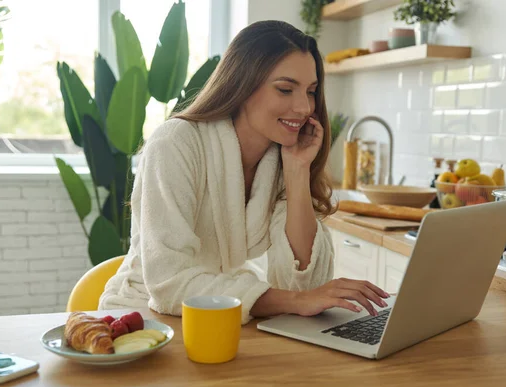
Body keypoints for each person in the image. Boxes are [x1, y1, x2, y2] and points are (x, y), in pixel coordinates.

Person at [99, 20, 390, 324]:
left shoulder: (280, 157)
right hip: (142, 318)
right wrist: (296, 300)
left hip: (222, 315)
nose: (304, 107)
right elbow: (169, 281)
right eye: (286, 89)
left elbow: (305, 284)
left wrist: (297, 171)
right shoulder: (175, 143)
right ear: (242, 85)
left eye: (311, 91)